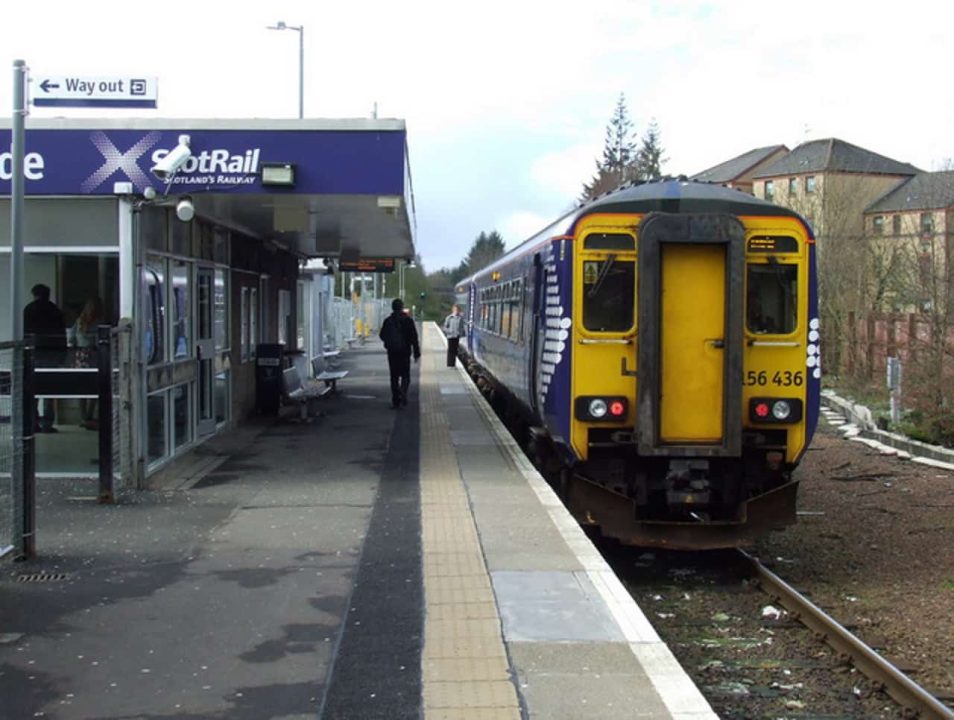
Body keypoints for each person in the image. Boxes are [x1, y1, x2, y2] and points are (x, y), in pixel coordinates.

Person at [23, 283, 67, 432]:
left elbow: (25, 332)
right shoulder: (55, 311)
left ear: (35, 294)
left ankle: (32, 422)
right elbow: (61, 334)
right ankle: (47, 423)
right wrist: (63, 354)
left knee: (32, 389)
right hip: (53, 353)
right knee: (49, 388)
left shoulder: (29, 309)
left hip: (35, 353)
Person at [67, 297, 104, 429]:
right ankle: (88, 416)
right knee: (93, 387)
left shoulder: (79, 322)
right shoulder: (99, 323)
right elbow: (101, 340)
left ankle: (84, 417)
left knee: (82, 387)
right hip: (93, 355)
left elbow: (71, 339)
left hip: (81, 356)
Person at [379, 298, 420, 409]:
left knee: (394, 377)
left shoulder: (388, 321)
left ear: (392, 307)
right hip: (405, 352)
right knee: (405, 375)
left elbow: (382, 335)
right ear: (402, 307)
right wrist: (416, 353)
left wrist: (389, 343)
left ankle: (396, 400)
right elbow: (414, 338)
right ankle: (403, 391)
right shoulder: (408, 320)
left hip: (392, 353)